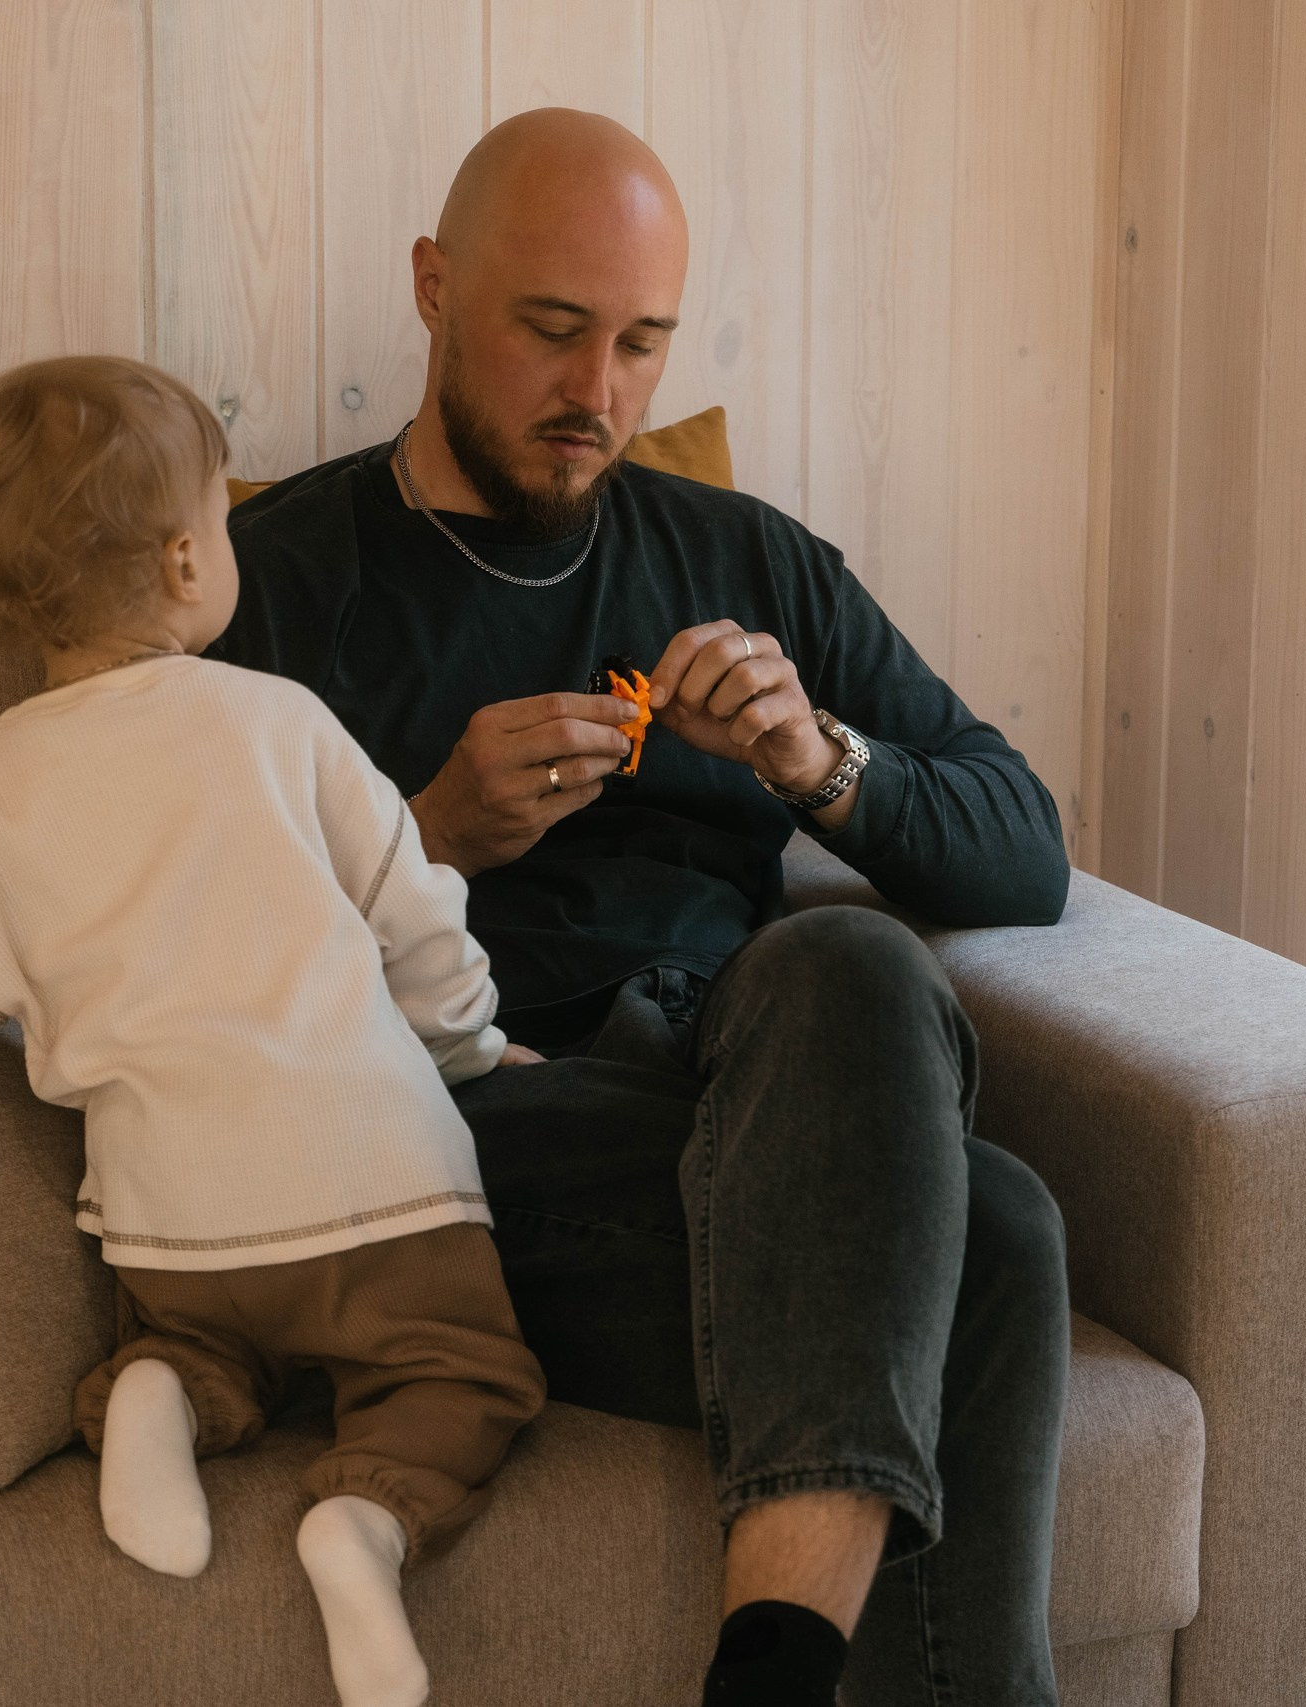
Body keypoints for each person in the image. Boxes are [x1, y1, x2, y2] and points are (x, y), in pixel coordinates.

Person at [208, 110, 1076, 1706]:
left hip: (745, 1090)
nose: (597, 395)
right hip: (466, 1133)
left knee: (847, 956)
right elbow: (168, 956)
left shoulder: (747, 564)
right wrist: (430, 838)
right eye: (553, 332)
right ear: (432, 287)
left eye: (641, 345)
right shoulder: (268, 584)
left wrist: (820, 766)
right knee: (999, 1233)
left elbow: (1025, 850)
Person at [0, 355, 546, 1707]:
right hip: (382, 1180)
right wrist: (470, 1052)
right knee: (462, 1373)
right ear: (182, 562)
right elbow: (421, 926)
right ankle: (369, 1520)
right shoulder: (282, 724)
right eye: (224, 523)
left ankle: (159, 1388)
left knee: (218, 1345)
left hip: (177, 1210)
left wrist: (15, 1000)